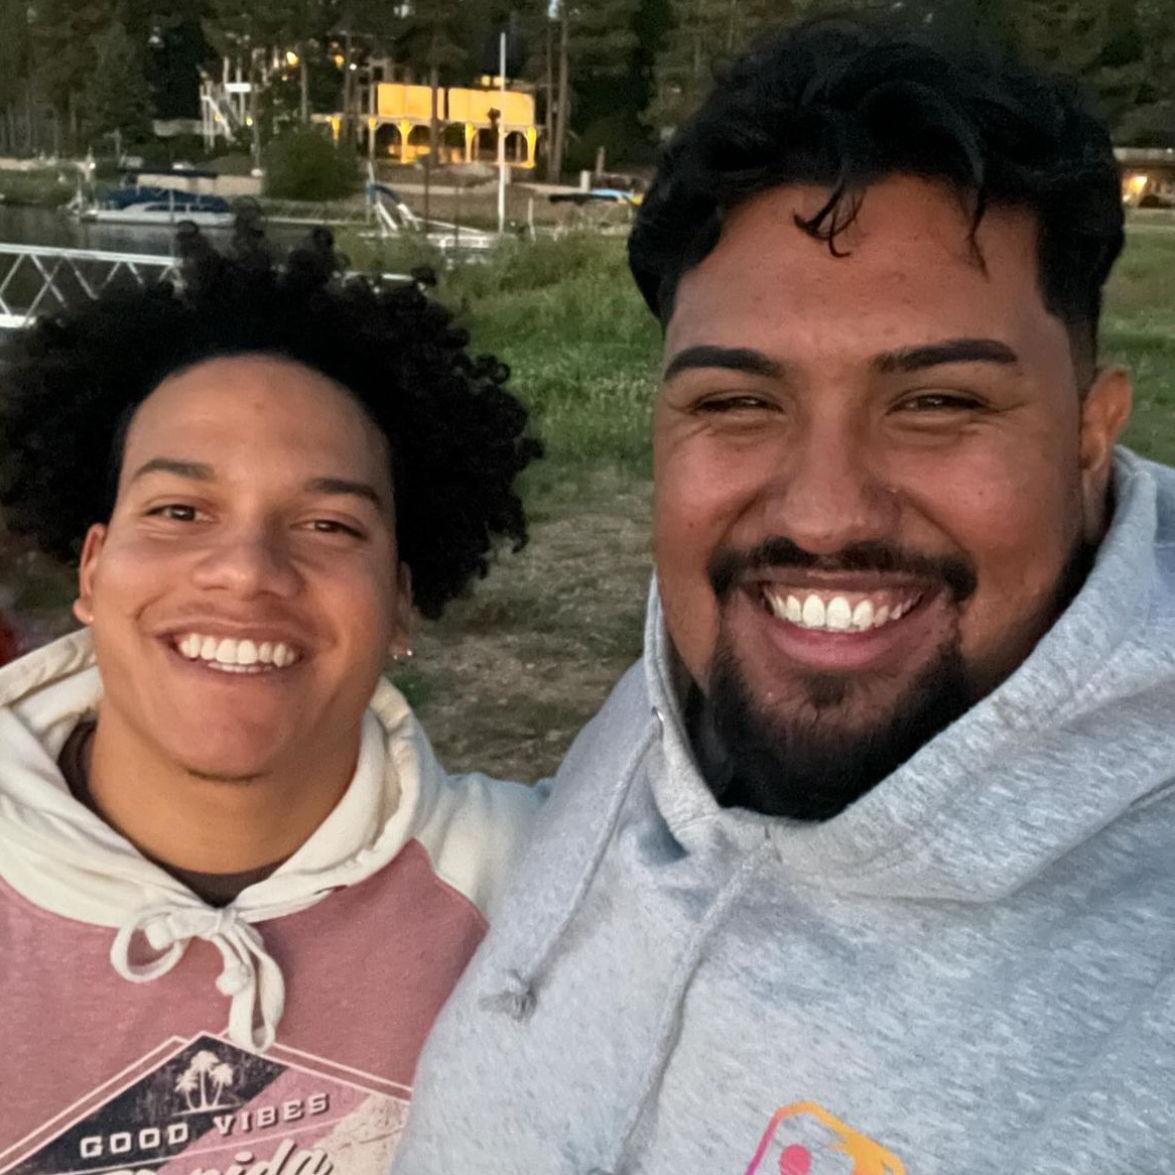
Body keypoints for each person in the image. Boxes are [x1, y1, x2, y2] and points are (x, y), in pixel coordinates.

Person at [392, 17, 1175, 1174]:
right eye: (735, 403)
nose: (821, 514)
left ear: (1085, 437)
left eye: (938, 402)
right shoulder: (676, 690)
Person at [0, 221, 542, 1171]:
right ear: (92, 569)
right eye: (179, 510)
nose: (246, 569)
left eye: (329, 524)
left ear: (400, 601)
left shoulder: (538, 881)